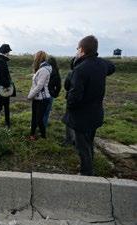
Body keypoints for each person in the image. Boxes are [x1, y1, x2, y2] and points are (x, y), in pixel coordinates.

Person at [63, 35, 115, 176]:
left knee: (82, 147)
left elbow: (74, 97)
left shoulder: (80, 70)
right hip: (95, 114)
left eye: (77, 48)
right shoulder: (101, 64)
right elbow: (112, 67)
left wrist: (70, 108)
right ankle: (90, 166)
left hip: (81, 117)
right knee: (89, 143)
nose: (76, 51)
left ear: (82, 50)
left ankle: (87, 173)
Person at [27, 51, 52, 140]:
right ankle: (32, 135)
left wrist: (30, 96)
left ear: (38, 58)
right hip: (37, 98)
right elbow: (39, 78)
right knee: (34, 117)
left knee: (39, 119)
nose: (34, 59)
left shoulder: (44, 70)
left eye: (35, 57)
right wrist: (34, 75)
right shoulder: (42, 69)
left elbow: (39, 86)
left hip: (42, 98)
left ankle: (44, 137)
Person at [0, 44, 14, 129]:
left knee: (5, 106)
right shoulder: (1, 62)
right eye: (9, 51)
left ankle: (6, 122)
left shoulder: (2, 60)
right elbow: (0, 77)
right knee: (0, 106)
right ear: (6, 52)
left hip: (3, 88)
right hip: (3, 88)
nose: (9, 53)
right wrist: (7, 85)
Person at [43, 56, 61, 126]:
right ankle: (44, 127)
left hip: (42, 93)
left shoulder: (45, 70)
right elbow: (59, 86)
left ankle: (37, 126)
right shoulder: (56, 72)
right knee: (46, 112)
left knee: (39, 111)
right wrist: (55, 94)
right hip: (50, 94)